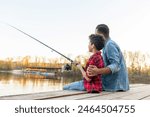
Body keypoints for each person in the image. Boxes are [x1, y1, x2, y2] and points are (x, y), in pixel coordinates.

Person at [87, 24, 129, 91]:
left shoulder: (109, 45)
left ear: (101, 35)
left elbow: (116, 65)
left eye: (96, 34)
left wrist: (98, 71)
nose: (95, 37)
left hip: (115, 85)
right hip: (117, 85)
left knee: (69, 87)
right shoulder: (107, 45)